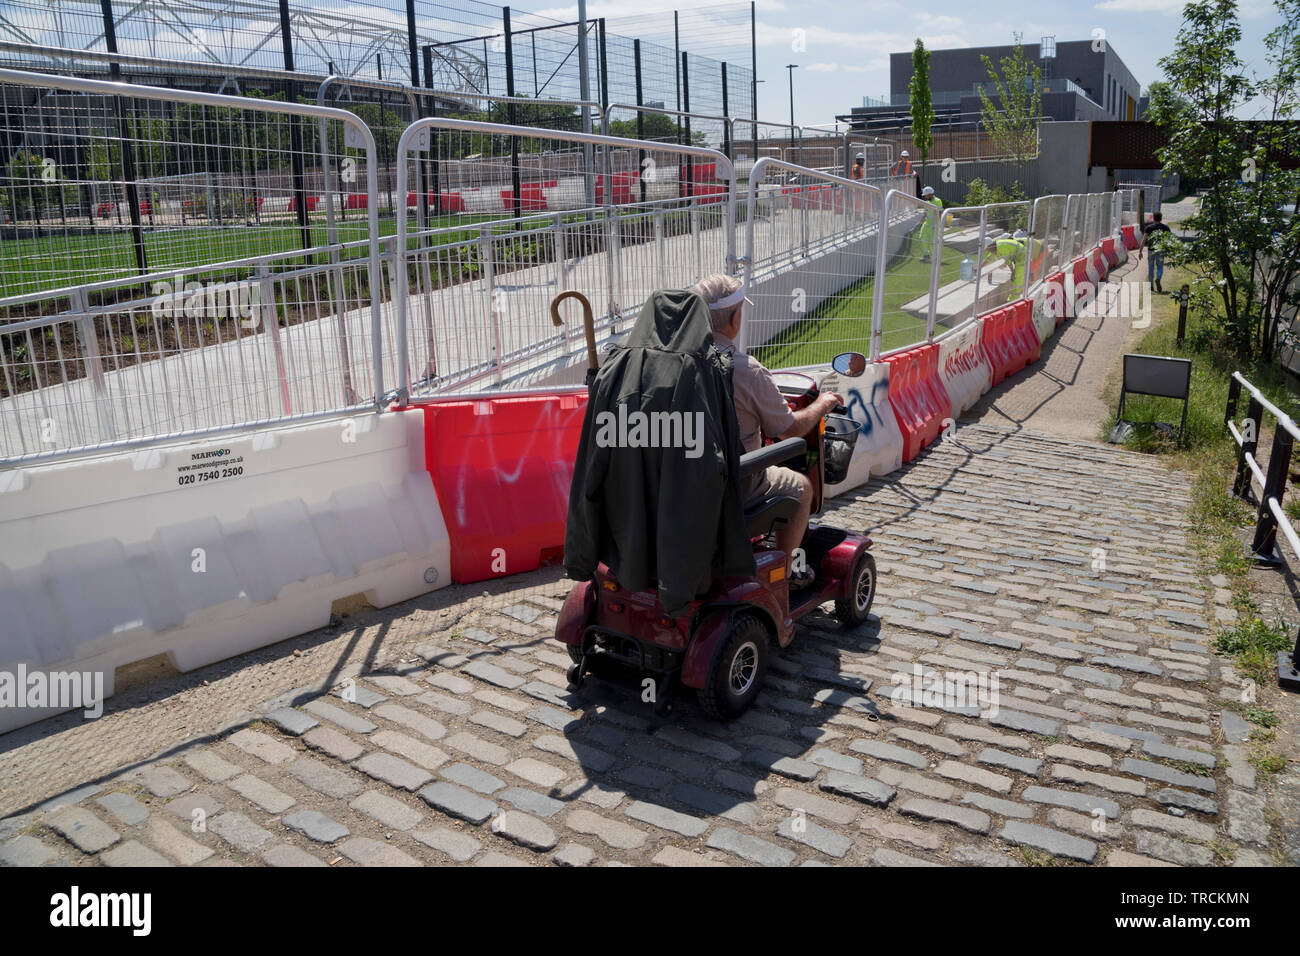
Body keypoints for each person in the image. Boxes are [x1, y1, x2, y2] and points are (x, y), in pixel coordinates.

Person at [692, 274, 843, 589]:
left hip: (682, 478)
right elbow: (789, 429)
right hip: (733, 483)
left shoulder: (675, 361)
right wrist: (823, 404)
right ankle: (785, 574)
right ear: (736, 318)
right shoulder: (746, 370)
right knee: (801, 486)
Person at [1139, 211, 1172, 293]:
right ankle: (1158, 279)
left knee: (1151, 268)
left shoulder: (1149, 228)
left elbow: (1144, 240)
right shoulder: (1166, 228)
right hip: (1161, 250)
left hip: (1151, 250)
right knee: (1160, 267)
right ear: (1161, 218)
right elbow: (1169, 240)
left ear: (1153, 218)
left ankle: (1150, 286)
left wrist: (1140, 251)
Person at [917, 185, 944, 263]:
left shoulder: (937, 201)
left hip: (934, 224)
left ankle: (936, 258)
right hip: (927, 223)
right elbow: (925, 213)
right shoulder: (926, 202)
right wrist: (920, 222)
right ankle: (926, 255)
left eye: (925, 195)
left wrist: (938, 224)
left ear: (929, 194)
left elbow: (939, 213)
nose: (925, 196)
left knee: (934, 241)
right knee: (922, 237)